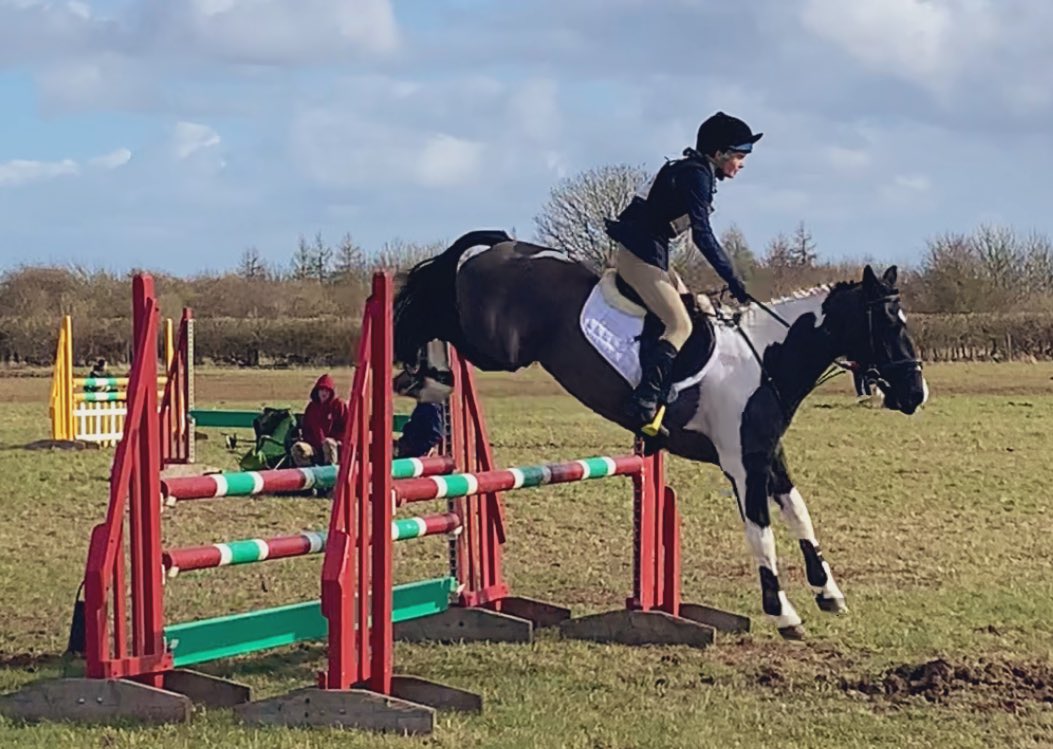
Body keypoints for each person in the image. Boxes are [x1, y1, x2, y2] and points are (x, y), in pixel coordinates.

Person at [604, 111, 760, 436]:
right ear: (718, 154)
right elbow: (703, 236)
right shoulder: (696, 177)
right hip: (639, 255)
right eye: (739, 156)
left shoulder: (696, 171)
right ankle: (645, 400)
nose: (742, 164)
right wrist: (733, 278)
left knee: (696, 307)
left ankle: (668, 396)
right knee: (680, 324)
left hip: (652, 254)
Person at [291, 373, 348, 467]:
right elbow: (306, 429)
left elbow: (346, 427)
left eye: (327, 390)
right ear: (317, 391)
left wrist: (339, 441)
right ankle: (309, 474)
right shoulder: (311, 408)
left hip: (334, 447)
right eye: (321, 390)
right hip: (314, 447)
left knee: (328, 443)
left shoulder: (339, 406)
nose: (324, 393)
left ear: (331, 392)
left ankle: (329, 474)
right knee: (298, 448)